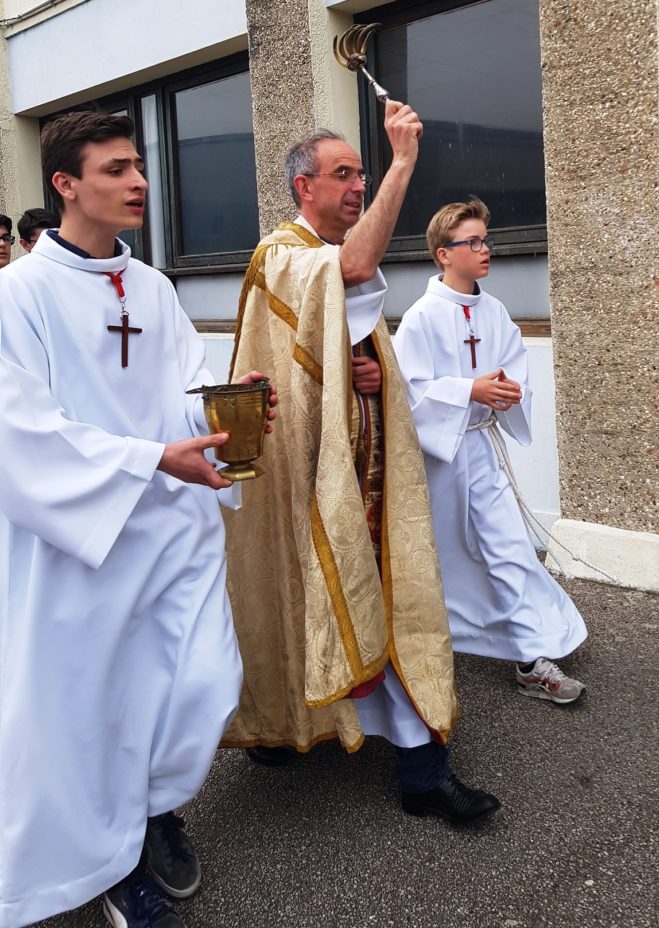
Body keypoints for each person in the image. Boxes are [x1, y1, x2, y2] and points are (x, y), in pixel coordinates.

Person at [0, 110, 275, 928]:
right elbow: (21, 431)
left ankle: (149, 811)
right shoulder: (18, 295)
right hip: (84, 542)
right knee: (94, 709)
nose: (139, 182)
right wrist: (152, 458)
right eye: (116, 169)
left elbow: (179, 389)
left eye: (138, 166)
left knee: (202, 683)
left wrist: (222, 410)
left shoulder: (152, 286)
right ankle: (112, 866)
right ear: (65, 183)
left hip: (175, 529)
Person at [222, 105, 500, 827]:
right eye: (343, 174)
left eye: (364, 175)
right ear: (303, 186)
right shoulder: (281, 256)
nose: (357, 186)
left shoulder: (330, 255)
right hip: (307, 476)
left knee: (394, 602)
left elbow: (355, 345)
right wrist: (404, 162)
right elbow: (350, 271)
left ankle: (422, 771)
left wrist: (374, 375)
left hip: (366, 474)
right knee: (303, 596)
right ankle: (285, 726)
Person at [393, 198, 588, 704]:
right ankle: (426, 648)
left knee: (508, 546)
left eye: (486, 240)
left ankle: (530, 657)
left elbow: (513, 365)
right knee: (444, 556)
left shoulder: (495, 310)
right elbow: (409, 393)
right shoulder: (420, 318)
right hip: (439, 459)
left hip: (481, 446)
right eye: (473, 242)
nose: (485, 250)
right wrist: (468, 390)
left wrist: (506, 391)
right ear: (444, 254)